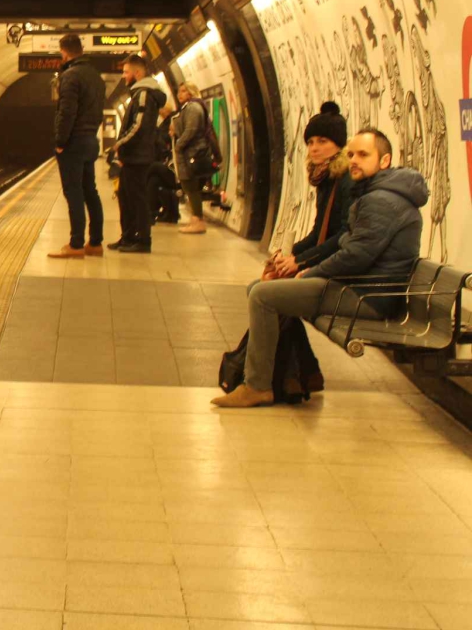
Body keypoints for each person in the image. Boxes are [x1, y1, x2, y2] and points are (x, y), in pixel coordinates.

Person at [213, 128, 427, 408]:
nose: (354, 161)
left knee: (263, 296)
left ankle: (257, 385)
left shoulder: (381, 200)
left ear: (384, 161)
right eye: (351, 154)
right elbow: (348, 246)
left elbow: (356, 255)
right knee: (262, 289)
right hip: (360, 286)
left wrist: (308, 272)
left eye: (363, 154)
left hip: (369, 295)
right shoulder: (375, 194)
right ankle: (303, 372)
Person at [265, 101, 352, 279]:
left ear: (338, 144)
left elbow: (344, 235)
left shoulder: (346, 180)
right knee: (267, 279)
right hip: (325, 259)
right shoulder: (324, 178)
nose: (314, 148)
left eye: (322, 141)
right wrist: (287, 254)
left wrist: (300, 261)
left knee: (264, 292)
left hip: (338, 268)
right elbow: (318, 232)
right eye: (310, 142)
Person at [48, 33, 106, 259]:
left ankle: (76, 245)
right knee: (90, 191)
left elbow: (67, 112)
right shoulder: (96, 76)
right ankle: (96, 243)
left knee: (74, 194)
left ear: (64, 52)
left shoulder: (70, 76)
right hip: (91, 139)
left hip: (74, 142)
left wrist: (61, 142)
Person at [109, 54, 167, 253]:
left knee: (137, 199)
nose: (124, 76)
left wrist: (119, 144)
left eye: (126, 72)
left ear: (138, 72)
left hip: (138, 156)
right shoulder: (138, 93)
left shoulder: (144, 93)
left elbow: (139, 125)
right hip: (133, 155)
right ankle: (128, 237)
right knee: (125, 196)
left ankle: (143, 240)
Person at [171, 82, 212, 234]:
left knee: (191, 186)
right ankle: (195, 219)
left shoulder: (193, 107)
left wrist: (178, 145)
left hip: (192, 153)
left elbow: (191, 130)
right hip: (189, 153)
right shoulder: (189, 107)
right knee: (189, 187)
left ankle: (198, 220)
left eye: (183, 91)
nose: (179, 94)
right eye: (178, 91)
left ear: (190, 92)